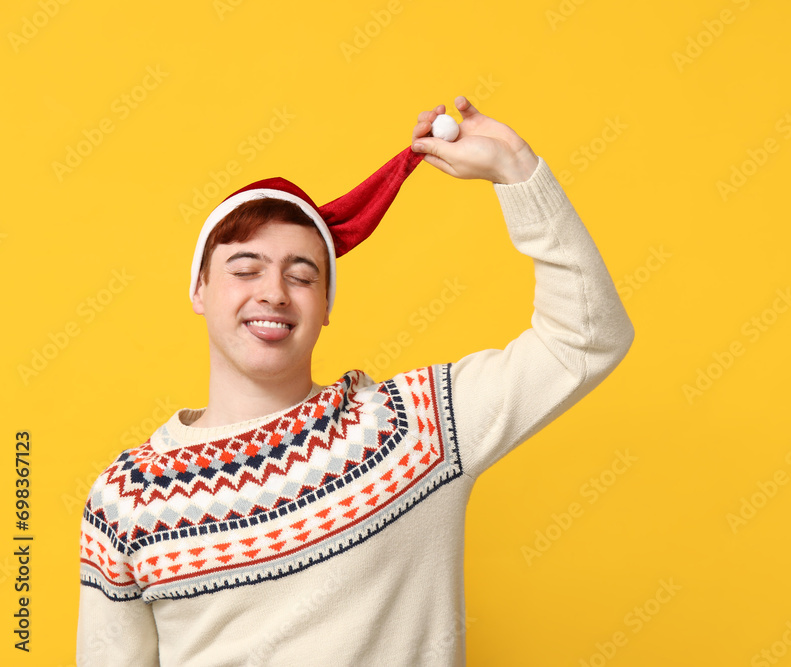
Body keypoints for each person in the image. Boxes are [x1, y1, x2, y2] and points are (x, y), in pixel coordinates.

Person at [76, 95, 635, 666]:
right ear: (199, 291)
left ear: (325, 306)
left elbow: (586, 339)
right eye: (245, 269)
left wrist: (517, 168)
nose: (272, 291)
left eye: (302, 275)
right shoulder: (126, 496)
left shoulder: (415, 428)